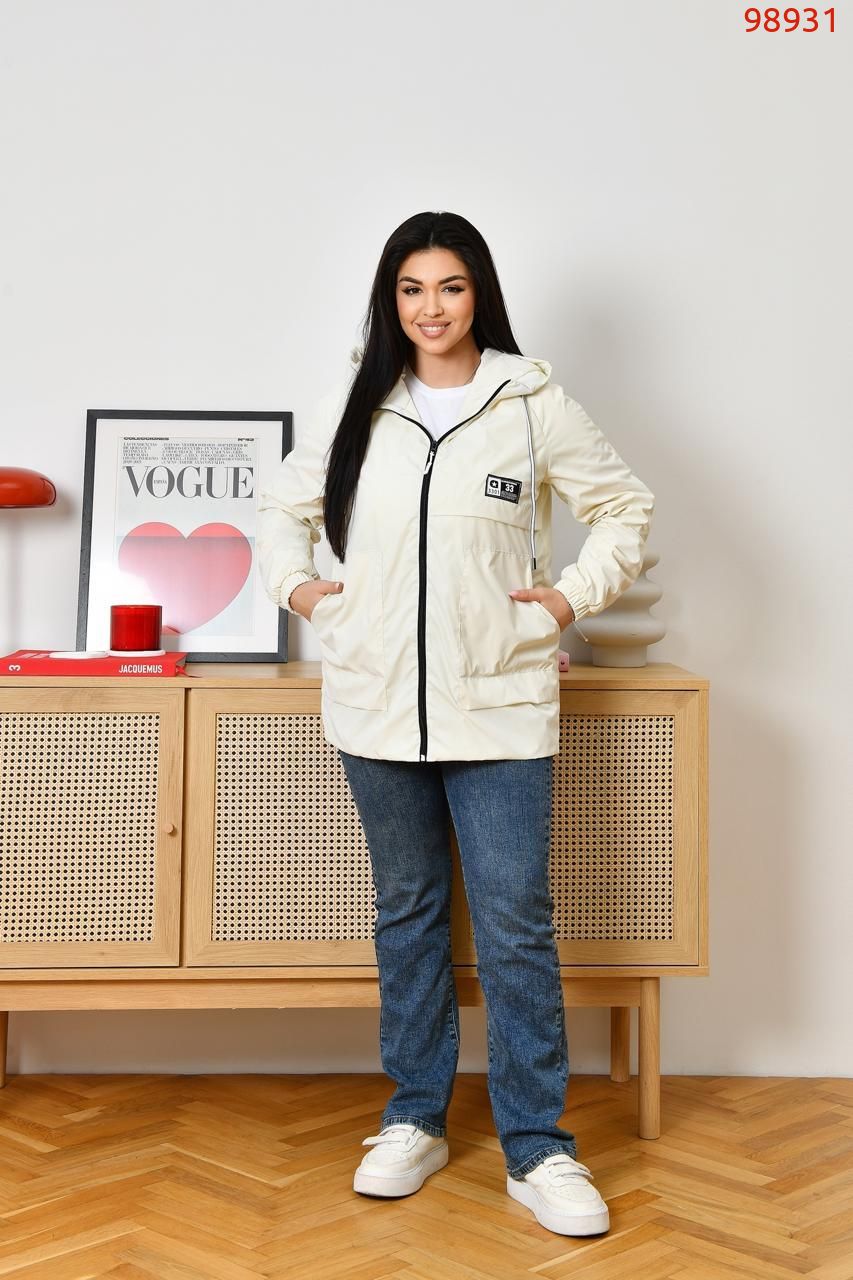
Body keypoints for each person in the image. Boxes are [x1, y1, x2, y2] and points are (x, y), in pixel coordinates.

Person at [256, 210, 655, 1238]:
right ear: (390, 301)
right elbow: (281, 509)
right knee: (408, 911)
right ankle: (413, 1118)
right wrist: (302, 592)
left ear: (479, 293)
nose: (429, 308)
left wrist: (567, 598)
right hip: (376, 703)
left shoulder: (531, 403)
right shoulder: (362, 403)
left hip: (500, 704)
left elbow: (624, 509)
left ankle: (537, 1144)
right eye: (411, 289)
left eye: (449, 286)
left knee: (515, 920)